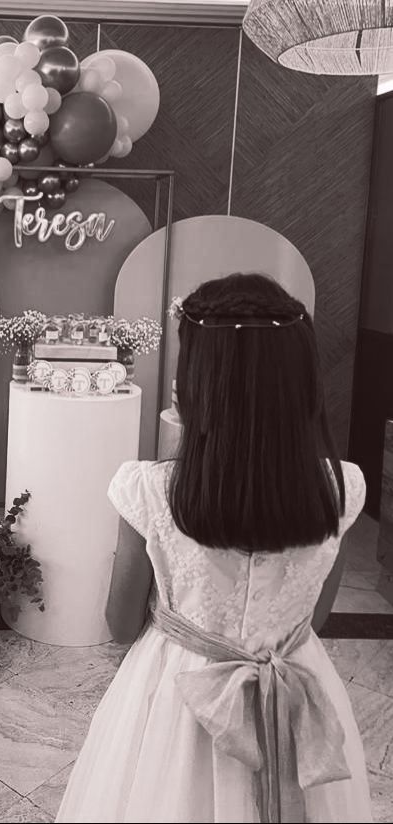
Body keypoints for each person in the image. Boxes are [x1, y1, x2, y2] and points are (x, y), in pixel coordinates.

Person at [56, 274, 371, 823]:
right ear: (300, 383)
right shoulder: (340, 489)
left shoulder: (151, 490)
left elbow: (121, 624)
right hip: (294, 687)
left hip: (177, 701)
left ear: (198, 384)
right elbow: (313, 618)